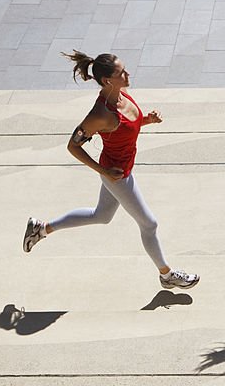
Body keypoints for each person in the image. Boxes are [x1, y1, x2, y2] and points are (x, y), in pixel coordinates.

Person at [22, 50, 199, 290]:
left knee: (101, 216)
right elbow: (73, 146)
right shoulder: (100, 114)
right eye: (121, 73)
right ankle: (167, 276)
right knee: (149, 225)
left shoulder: (121, 96)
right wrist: (103, 171)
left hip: (119, 170)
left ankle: (41, 229)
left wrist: (147, 119)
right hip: (117, 175)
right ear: (107, 80)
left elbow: (127, 127)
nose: (127, 74)